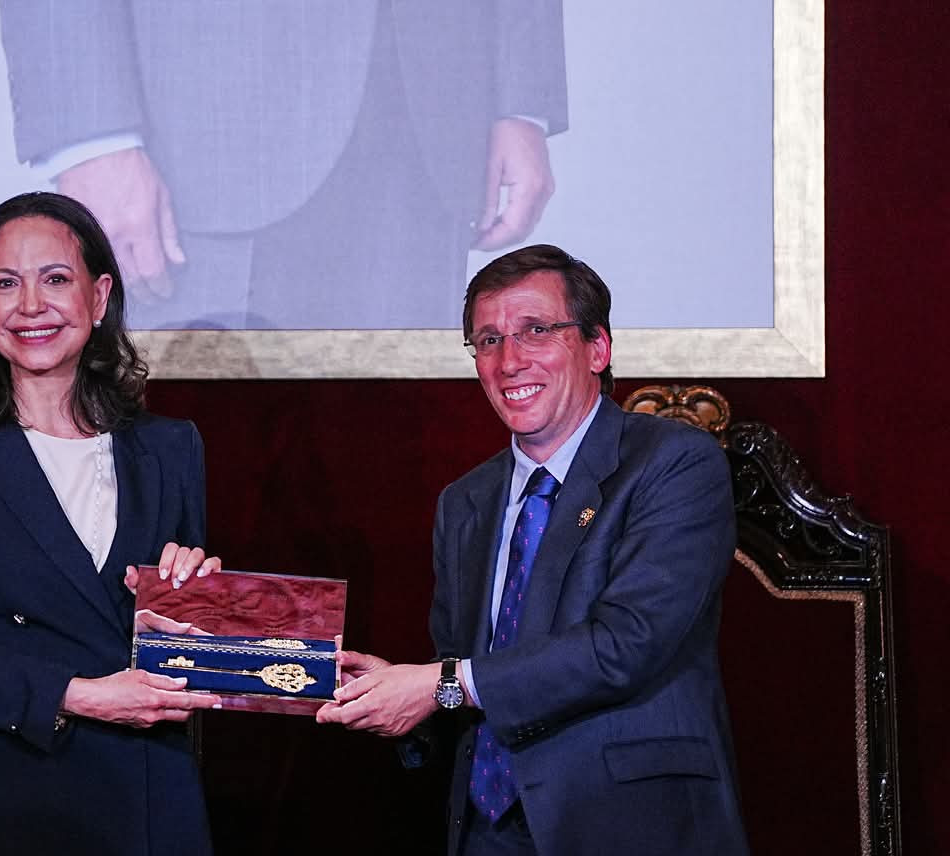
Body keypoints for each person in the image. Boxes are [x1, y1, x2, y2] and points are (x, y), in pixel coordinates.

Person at [317, 245, 749, 855]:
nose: (509, 361)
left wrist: (439, 684)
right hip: (485, 830)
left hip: (627, 822)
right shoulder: (465, 502)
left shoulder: (674, 463)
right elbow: (463, 671)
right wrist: (399, 694)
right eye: (487, 341)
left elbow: (624, 645)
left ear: (597, 347)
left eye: (535, 331)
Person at [0, 191, 222, 855]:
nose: (31, 305)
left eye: (55, 280)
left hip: (145, 792)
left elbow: (193, 655)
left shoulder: (172, 448)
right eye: (7, 283)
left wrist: (193, 602)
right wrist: (79, 696)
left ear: (98, 299)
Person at [0, 0, 567, 330]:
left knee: (386, 473)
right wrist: (91, 131)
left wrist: (519, 95)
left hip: (427, 99)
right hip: (199, 123)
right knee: (193, 483)